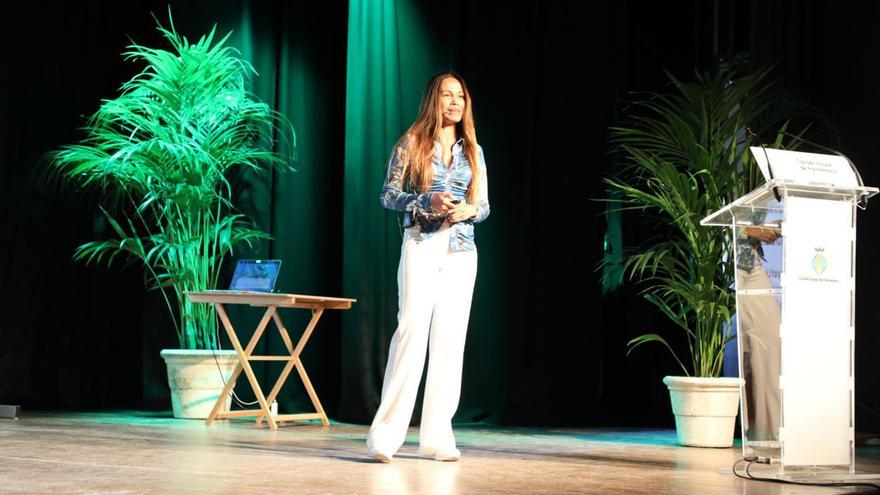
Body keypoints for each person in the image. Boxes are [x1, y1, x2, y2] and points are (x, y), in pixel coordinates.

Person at [366, 72, 490, 463]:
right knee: (410, 334)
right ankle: (385, 437)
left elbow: (483, 206)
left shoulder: (474, 151)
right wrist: (425, 201)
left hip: (462, 250)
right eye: (446, 95)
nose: (454, 102)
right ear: (432, 101)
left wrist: (472, 210)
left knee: (450, 343)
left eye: (460, 96)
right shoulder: (412, 143)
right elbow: (388, 195)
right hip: (421, 244)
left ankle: (438, 438)